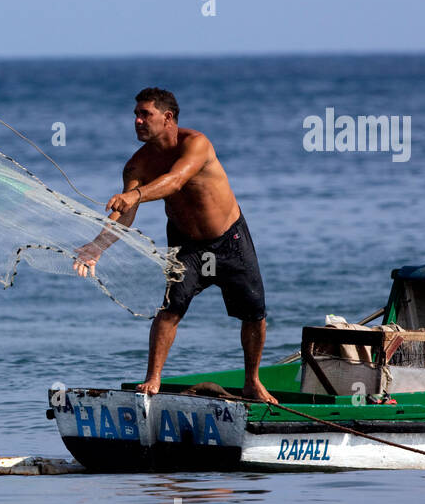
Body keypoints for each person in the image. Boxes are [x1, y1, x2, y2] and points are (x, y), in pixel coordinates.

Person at [73, 87, 277, 404]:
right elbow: (124, 214)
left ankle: (252, 381)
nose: (138, 121)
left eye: (146, 114)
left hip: (230, 239)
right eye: (136, 115)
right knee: (170, 309)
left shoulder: (196, 144)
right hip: (186, 246)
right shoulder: (136, 166)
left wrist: (135, 195)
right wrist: (98, 246)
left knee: (254, 315)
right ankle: (152, 380)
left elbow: (176, 180)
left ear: (167, 117)